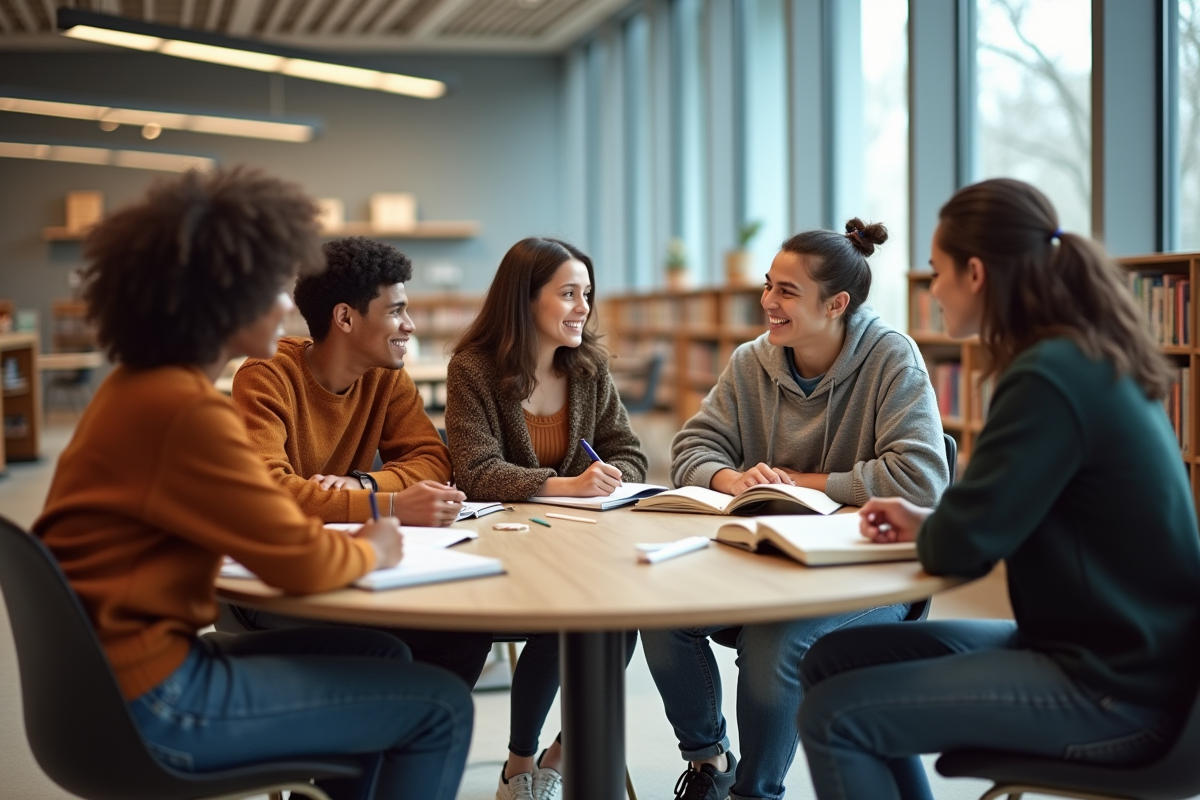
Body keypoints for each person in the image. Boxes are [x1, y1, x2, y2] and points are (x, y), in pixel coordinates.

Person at [33, 167, 473, 800]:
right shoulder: (185, 410)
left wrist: (352, 500)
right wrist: (374, 541)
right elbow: (294, 555)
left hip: (111, 681)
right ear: (223, 299)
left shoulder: (137, 389)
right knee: (441, 708)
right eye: (271, 287)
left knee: (384, 658)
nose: (285, 305)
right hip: (153, 699)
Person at [797, 178, 1200, 800]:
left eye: (938, 272)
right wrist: (927, 522)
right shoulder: (1079, 357)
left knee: (835, 716)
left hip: (1116, 688)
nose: (933, 290)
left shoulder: (1046, 376)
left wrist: (941, 530)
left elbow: (966, 548)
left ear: (976, 273)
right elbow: (996, 514)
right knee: (834, 658)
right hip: (1107, 650)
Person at [643, 220, 950, 800]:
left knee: (772, 642)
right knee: (662, 614)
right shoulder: (751, 362)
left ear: (836, 304)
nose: (767, 301)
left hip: (871, 576)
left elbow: (920, 480)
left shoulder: (892, 360)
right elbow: (690, 449)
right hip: (766, 562)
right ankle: (710, 765)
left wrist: (803, 483)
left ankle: (754, 792)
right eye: (767, 285)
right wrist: (734, 478)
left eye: (787, 291)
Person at [230, 236, 491, 686]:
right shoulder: (266, 376)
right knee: (423, 637)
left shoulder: (387, 379)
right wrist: (386, 506)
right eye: (395, 311)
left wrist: (364, 486)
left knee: (464, 633)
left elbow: (431, 459)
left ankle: (403, 745)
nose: (409, 325)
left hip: (348, 561)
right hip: (268, 581)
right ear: (345, 317)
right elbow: (270, 494)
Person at [444, 236, 647, 800]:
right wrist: (566, 486)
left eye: (587, 293)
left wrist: (610, 477)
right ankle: (520, 762)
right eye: (567, 294)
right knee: (568, 611)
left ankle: (558, 755)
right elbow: (476, 470)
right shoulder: (473, 370)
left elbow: (629, 451)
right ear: (524, 300)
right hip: (502, 543)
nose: (583, 307)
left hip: (579, 538)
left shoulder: (587, 370)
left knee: (618, 610)